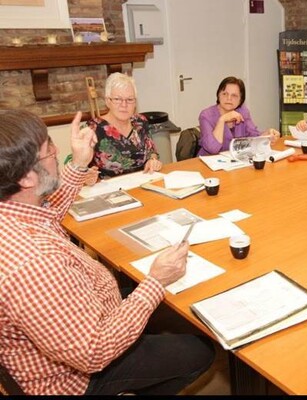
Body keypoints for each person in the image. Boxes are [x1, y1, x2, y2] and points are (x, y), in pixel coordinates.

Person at [0, 109, 215, 395]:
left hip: (84, 315)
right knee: (198, 350)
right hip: (76, 379)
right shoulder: (33, 263)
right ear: (27, 179)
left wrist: (77, 163)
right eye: (48, 148)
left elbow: (50, 213)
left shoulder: (16, 210)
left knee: (155, 301)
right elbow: (94, 351)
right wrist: (155, 282)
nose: (56, 150)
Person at [86, 72, 162, 182]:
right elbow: (80, 166)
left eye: (130, 99)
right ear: (108, 101)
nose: (124, 105)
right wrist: (86, 176)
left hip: (143, 184)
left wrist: (153, 160)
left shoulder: (140, 122)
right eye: (117, 99)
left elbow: (151, 152)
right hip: (108, 190)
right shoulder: (93, 128)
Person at [198, 76, 280, 155]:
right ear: (218, 95)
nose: (229, 98)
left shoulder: (243, 112)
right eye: (224, 94)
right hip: (209, 164)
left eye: (234, 95)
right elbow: (212, 149)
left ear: (241, 99)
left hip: (235, 161)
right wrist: (222, 120)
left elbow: (254, 137)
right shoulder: (206, 115)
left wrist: (267, 135)